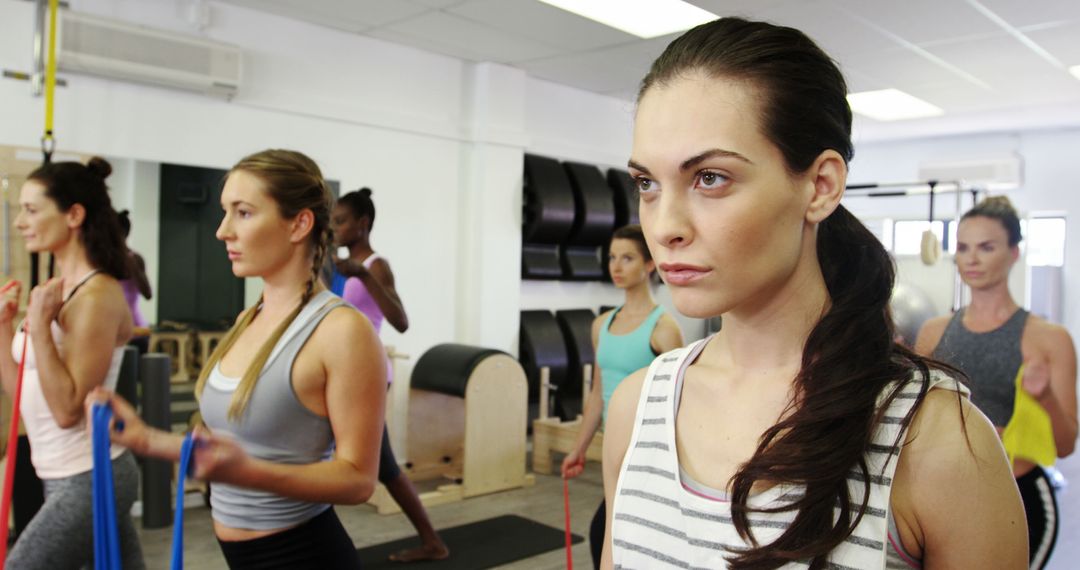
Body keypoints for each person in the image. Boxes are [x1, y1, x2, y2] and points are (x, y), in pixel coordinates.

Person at [602, 17, 1027, 569]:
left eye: (710, 177)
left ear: (821, 185)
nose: (664, 226)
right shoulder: (639, 406)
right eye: (647, 184)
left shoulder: (937, 441)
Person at [92, 149, 386, 569]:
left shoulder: (341, 331)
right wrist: (146, 439)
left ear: (299, 224)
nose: (222, 231)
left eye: (243, 212)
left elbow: (358, 479)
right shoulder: (252, 317)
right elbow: (231, 452)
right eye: (225, 212)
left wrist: (247, 472)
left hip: (302, 557)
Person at [916, 196, 1077, 569]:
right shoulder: (933, 332)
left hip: (1018, 494)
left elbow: (1066, 445)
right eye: (963, 248)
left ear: (1014, 253)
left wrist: (1045, 395)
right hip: (942, 493)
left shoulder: (1048, 338)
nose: (971, 259)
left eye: (986, 247)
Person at [1, 157, 145, 569]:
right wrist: (3, 327)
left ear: (74, 215)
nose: (19, 222)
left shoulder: (97, 295)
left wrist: (41, 326)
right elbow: (23, 396)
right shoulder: (56, 290)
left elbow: (66, 410)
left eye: (31, 210)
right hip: (60, 473)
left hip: (90, 474)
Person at [330, 188, 448, 562]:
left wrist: (363, 275)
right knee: (382, 466)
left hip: (367, 373)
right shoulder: (339, 265)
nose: (335, 228)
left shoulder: (376, 266)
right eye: (332, 221)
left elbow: (400, 320)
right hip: (343, 372)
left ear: (362, 224)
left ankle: (433, 542)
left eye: (341, 221)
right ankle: (432, 542)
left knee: (385, 466)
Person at [559, 224, 682, 569]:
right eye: (612, 258)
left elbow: (678, 404)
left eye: (627, 258)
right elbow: (598, 393)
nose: (616, 266)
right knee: (609, 533)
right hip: (611, 449)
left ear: (648, 264)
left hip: (644, 452)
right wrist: (578, 448)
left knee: (605, 532)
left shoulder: (663, 328)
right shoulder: (602, 325)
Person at [116, 209, 153, 354]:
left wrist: (135, 270)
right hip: (111, 330)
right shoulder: (103, 261)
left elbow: (148, 294)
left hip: (136, 332)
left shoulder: (135, 259)